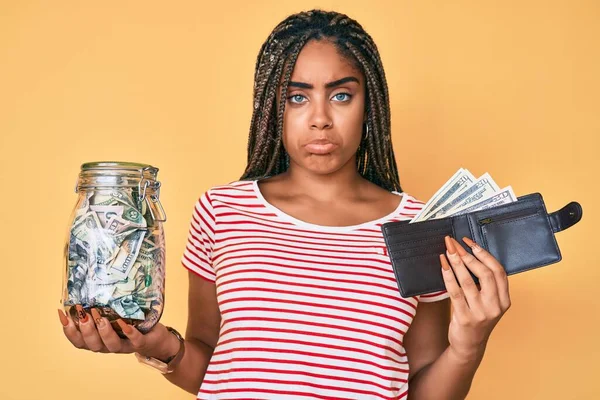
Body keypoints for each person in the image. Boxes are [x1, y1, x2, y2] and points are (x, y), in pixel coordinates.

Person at [58, 9, 511, 399]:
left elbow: (423, 389)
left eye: (340, 95)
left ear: (368, 104)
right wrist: (152, 343)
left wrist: (470, 343)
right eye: (297, 97)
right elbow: (209, 366)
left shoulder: (420, 225)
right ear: (272, 108)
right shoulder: (221, 211)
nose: (319, 118)